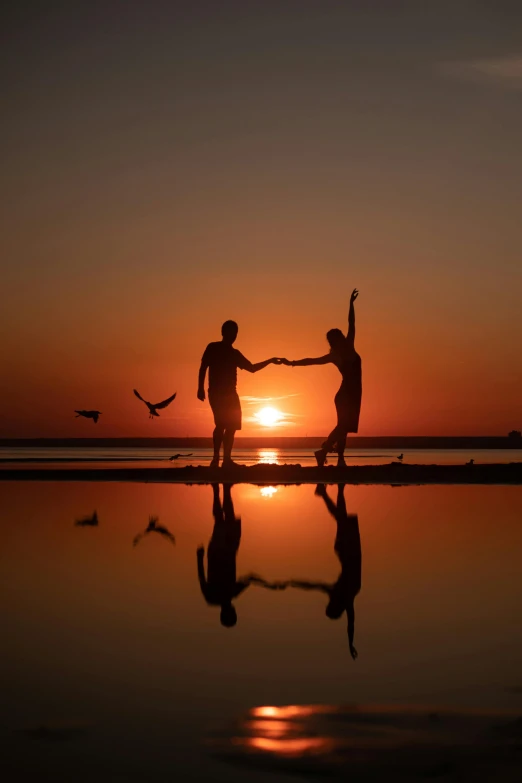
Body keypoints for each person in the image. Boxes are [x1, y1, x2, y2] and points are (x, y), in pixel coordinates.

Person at [282, 289, 361, 467]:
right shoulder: (336, 355)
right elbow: (312, 361)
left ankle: (340, 458)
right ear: (335, 341)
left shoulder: (349, 345)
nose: (341, 337)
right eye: (338, 337)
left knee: (345, 428)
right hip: (346, 394)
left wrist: (351, 304)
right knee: (342, 426)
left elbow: (352, 322)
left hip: (353, 394)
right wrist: (292, 363)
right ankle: (323, 451)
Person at [197, 484, 286, 627]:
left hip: (219, 552)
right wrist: (268, 585)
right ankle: (224, 489)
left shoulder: (216, 596)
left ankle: (217, 489)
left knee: (220, 520)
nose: (232, 610)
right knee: (227, 519)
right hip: (229, 550)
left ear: (226, 613)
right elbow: (250, 578)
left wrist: (199, 557)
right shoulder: (230, 593)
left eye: (231, 613)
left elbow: (202, 578)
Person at [289, 484, 361, 659]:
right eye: (330, 605)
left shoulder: (344, 595)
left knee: (341, 517)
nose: (329, 601)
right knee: (340, 516)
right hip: (348, 550)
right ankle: (330, 491)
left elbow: (312, 586)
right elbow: (350, 622)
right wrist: (350, 642)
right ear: (335, 606)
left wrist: (293, 582)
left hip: (349, 551)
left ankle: (330, 490)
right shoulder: (346, 596)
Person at [198, 320, 282, 467]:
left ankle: (227, 460)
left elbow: (252, 368)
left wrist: (270, 361)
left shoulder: (234, 353)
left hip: (231, 394)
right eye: (231, 332)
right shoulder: (212, 347)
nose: (234, 335)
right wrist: (199, 387)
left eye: (235, 333)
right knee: (220, 424)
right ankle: (216, 458)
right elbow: (203, 367)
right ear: (223, 332)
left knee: (232, 427)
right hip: (216, 393)